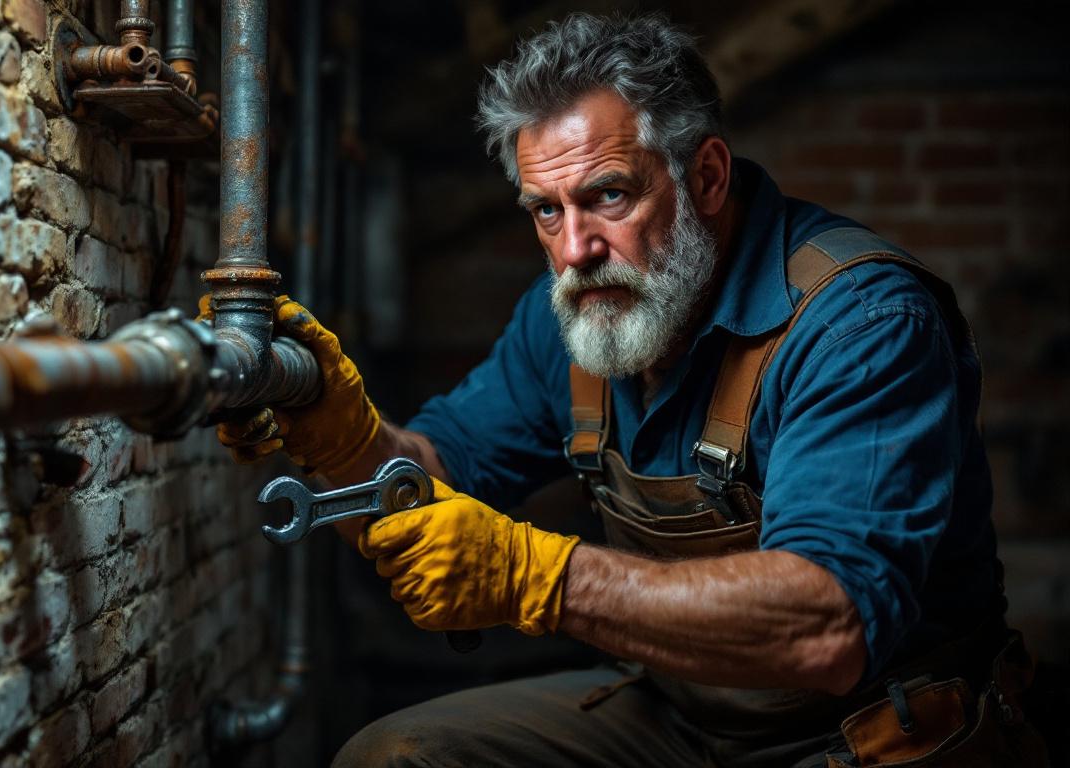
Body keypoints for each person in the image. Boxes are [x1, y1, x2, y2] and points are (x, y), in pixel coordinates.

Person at [207, 12, 1047, 767]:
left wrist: (540, 577)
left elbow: (831, 628)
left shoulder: (861, 324)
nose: (574, 250)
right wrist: (343, 436)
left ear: (707, 178)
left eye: (608, 195)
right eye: (545, 211)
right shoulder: (573, 317)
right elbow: (435, 475)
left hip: (876, 731)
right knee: (399, 757)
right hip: (684, 714)